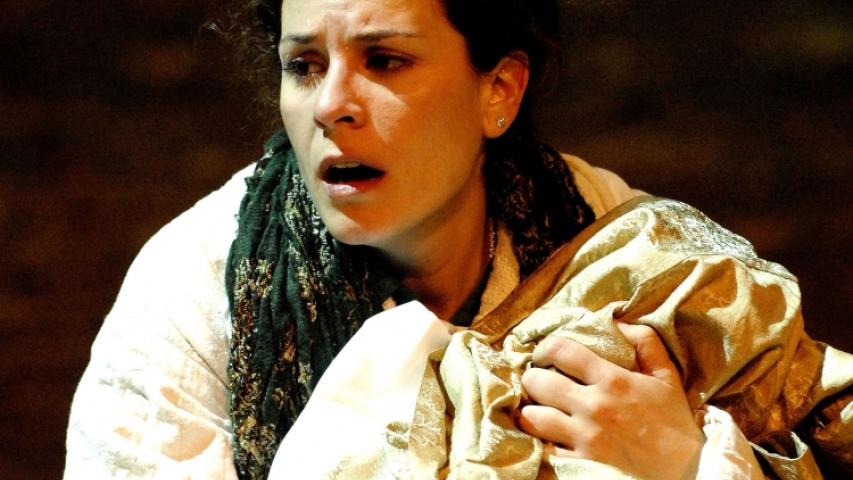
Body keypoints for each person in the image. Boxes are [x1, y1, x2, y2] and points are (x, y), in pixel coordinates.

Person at [64, 0, 852, 478]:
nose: (330, 104)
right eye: (303, 65)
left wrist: (682, 466)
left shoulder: (616, 243)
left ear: (498, 90)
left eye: (384, 60)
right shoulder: (197, 290)